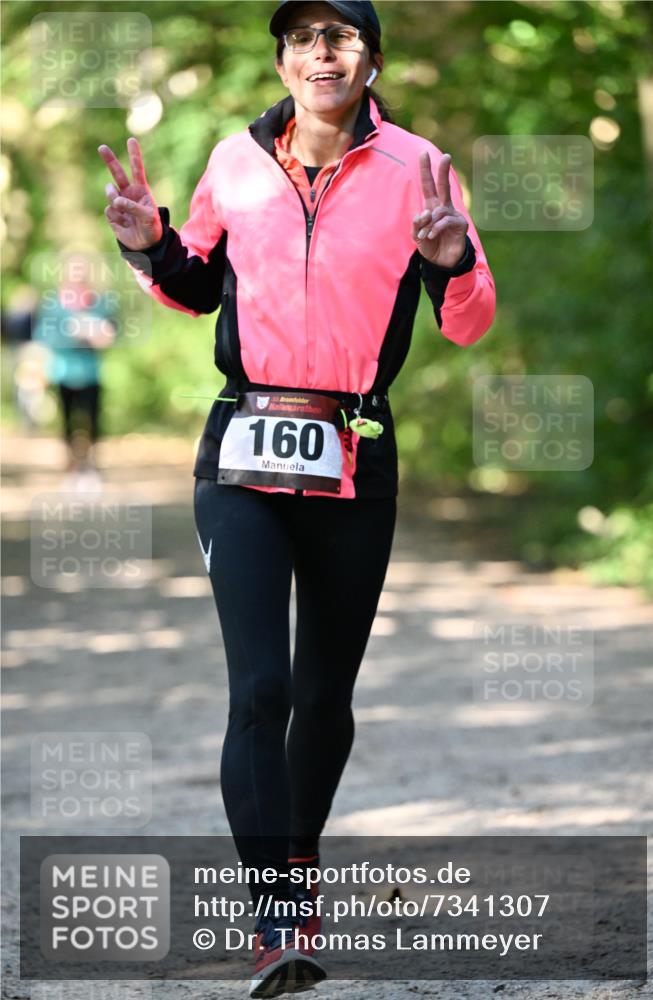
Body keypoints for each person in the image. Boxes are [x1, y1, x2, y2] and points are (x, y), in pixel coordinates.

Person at [99, 1, 495, 994]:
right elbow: (195, 287)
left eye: (342, 36)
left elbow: (470, 321)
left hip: (355, 449)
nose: (322, 51)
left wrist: (450, 266)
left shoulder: (418, 167)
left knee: (322, 696)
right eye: (303, 38)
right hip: (241, 447)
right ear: (282, 61)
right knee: (259, 692)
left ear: (369, 61)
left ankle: (299, 871)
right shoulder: (233, 163)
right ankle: (277, 920)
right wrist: (150, 248)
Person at [32, 261, 116, 484]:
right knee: (67, 420)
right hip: (64, 372)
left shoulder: (98, 305)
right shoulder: (55, 307)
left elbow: (111, 333)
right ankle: (70, 461)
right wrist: (73, 333)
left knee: (93, 419)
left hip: (91, 372)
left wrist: (98, 335)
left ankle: (92, 461)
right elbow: (44, 336)